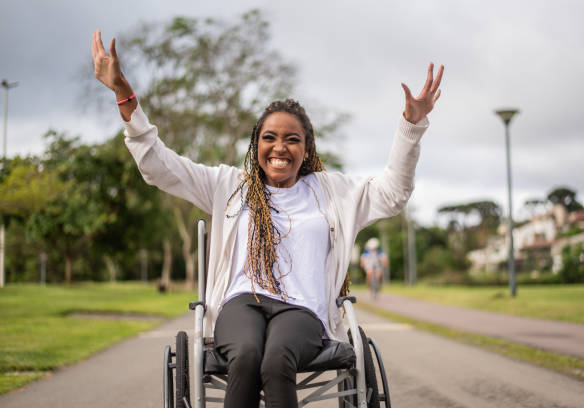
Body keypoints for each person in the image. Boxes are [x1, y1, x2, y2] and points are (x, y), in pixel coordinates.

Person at [91, 29, 443, 408]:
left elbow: (393, 193)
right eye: (269, 137)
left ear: (306, 150)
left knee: (276, 360)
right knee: (245, 354)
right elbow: (159, 166)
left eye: (292, 139)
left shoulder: (332, 192)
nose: (280, 148)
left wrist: (410, 127)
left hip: (302, 309)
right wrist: (124, 97)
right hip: (242, 302)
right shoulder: (229, 185)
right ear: (256, 144)